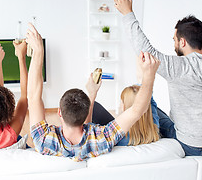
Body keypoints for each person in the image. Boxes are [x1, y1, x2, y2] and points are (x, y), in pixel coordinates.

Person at [114, 0, 202, 157]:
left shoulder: (178, 67)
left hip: (189, 145)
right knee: (151, 105)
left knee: (144, 108)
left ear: (182, 42)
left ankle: (127, 143)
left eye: (174, 40)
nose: (174, 44)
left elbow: (146, 51)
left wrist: (127, 14)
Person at [26, 23, 160, 161]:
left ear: (59, 112)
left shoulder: (43, 141)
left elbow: (33, 96)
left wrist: (38, 51)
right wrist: (149, 75)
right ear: (85, 115)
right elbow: (137, 110)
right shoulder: (102, 139)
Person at [92, 92, 159, 146]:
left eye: (121, 101)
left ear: (124, 107)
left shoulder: (118, 138)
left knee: (93, 106)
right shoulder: (154, 128)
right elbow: (150, 100)